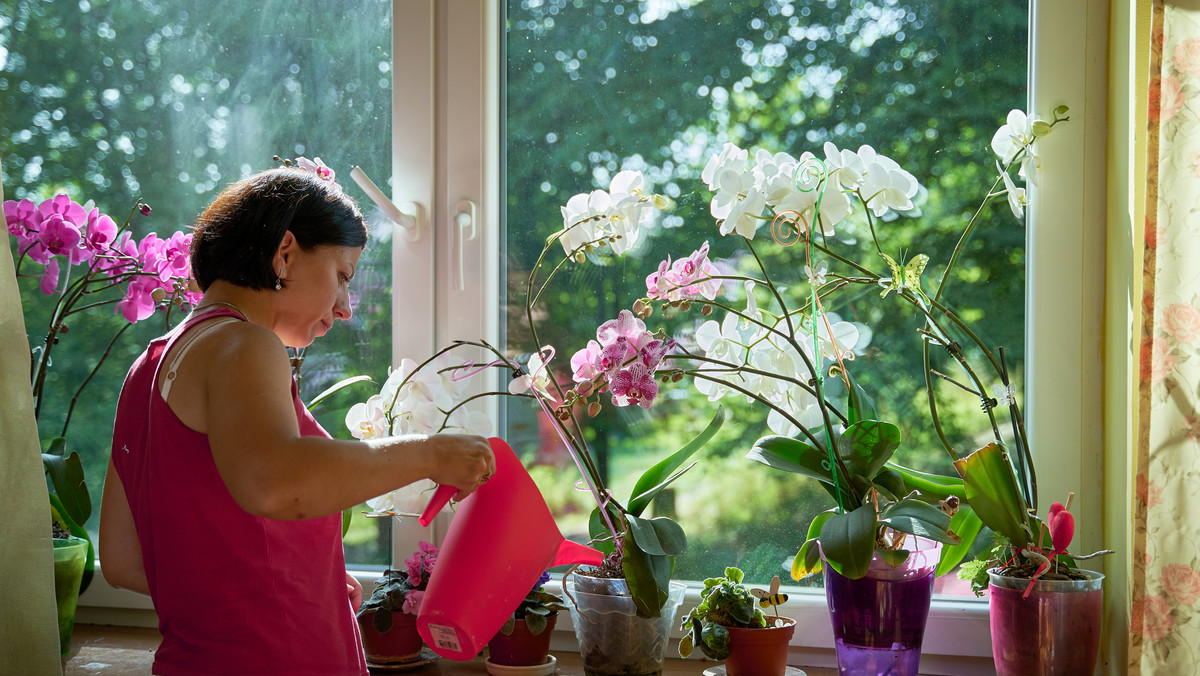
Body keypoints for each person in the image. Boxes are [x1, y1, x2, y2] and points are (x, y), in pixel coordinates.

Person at [99, 165, 494, 676]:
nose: (347, 308)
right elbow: (276, 480)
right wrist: (429, 454)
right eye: (343, 277)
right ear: (285, 252)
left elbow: (124, 558)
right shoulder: (243, 342)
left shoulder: (146, 369)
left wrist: (298, 577)